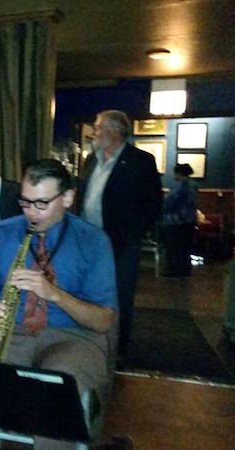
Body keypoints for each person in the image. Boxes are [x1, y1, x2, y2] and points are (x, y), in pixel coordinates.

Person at [0, 159, 117, 449]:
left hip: (75, 338)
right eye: (25, 202)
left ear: (68, 197)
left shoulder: (93, 241)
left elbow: (103, 321)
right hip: (12, 333)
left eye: (41, 204)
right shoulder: (2, 233)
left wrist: (54, 294)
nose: (30, 213)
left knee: (55, 385)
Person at [77, 110, 162, 358]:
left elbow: (153, 204)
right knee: (86, 292)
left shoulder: (140, 161)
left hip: (121, 243)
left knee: (119, 295)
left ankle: (118, 351)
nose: (94, 132)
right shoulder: (91, 160)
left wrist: (134, 233)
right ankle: (88, 342)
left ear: (114, 131)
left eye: (97, 127)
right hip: (87, 242)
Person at [160, 163, 198, 278]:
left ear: (180, 173)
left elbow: (169, 203)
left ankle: (175, 271)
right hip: (189, 220)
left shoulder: (181, 186)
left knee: (174, 247)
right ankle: (185, 271)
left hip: (176, 221)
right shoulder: (193, 185)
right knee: (185, 248)